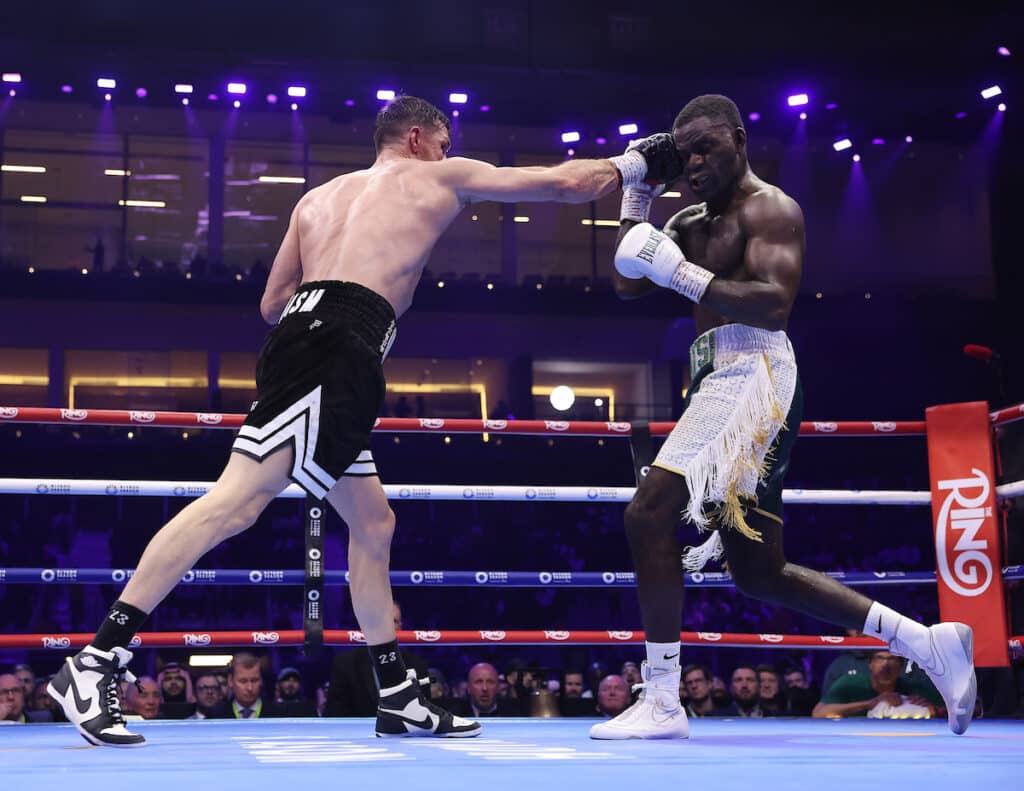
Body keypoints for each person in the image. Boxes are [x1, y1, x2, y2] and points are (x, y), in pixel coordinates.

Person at [47, 94, 682, 746]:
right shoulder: (435, 174)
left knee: (374, 521)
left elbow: (271, 303)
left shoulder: (316, 199)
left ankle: (397, 693)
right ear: (415, 137)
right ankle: (97, 658)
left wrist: (332, 305)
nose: (446, 152)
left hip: (312, 341)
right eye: (442, 142)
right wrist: (633, 163)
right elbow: (562, 184)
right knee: (236, 502)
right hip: (340, 347)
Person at [590, 94, 976, 740]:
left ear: (739, 139)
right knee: (758, 569)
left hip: (756, 370)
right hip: (715, 374)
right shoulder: (687, 217)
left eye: (707, 146)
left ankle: (661, 697)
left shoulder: (770, 209)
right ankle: (927, 641)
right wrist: (637, 191)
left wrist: (678, 271)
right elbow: (628, 279)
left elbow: (772, 305)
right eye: (685, 153)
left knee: (648, 511)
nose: (695, 160)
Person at [813, 650, 940, 719]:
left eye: (892, 659)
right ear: (870, 664)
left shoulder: (913, 688)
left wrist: (932, 708)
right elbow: (818, 713)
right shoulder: (850, 683)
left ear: (901, 666)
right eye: (879, 658)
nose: (885, 665)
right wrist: (870, 703)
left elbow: (948, 712)